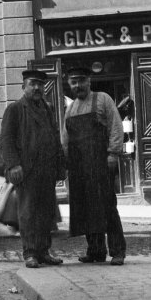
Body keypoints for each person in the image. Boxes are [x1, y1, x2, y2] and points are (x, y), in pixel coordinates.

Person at [0, 70, 66, 268]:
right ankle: (30, 253)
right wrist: (13, 164)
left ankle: (44, 251)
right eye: (32, 84)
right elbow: (6, 139)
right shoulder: (15, 109)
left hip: (47, 170)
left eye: (40, 84)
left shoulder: (48, 109)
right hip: (26, 171)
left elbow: (55, 139)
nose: (37, 88)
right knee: (28, 213)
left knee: (46, 213)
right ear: (23, 87)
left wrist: (60, 166)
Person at [62, 63, 126, 266]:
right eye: (74, 82)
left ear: (89, 82)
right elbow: (65, 137)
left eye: (81, 81)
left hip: (101, 162)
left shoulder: (103, 99)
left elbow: (116, 126)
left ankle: (117, 251)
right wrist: (64, 161)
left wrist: (113, 153)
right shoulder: (70, 108)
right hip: (78, 166)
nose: (78, 85)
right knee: (86, 207)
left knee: (107, 206)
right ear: (69, 84)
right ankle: (95, 251)